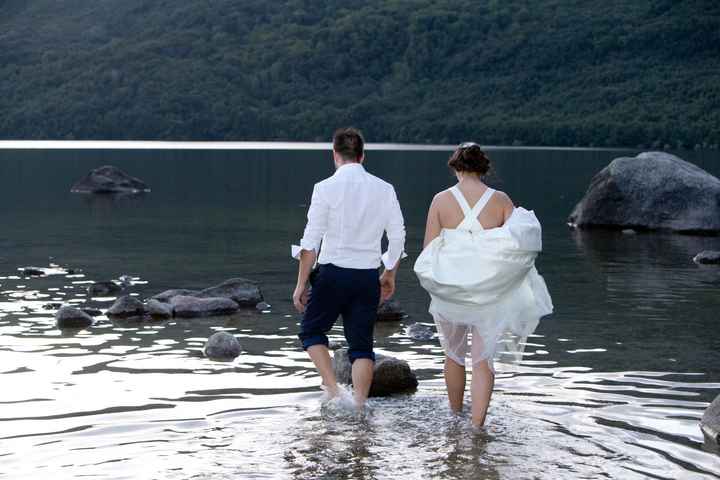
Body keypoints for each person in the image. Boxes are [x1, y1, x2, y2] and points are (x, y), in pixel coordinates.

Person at [414, 143, 553, 427]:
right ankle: (477, 426)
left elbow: (428, 249)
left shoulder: (441, 200)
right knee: (482, 359)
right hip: (489, 291)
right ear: (484, 169)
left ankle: (454, 417)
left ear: (455, 167)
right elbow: (519, 243)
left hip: (451, 289)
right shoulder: (500, 200)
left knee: (453, 354)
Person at [291, 127, 406, 409]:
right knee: (362, 348)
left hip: (332, 274)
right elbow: (398, 235)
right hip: (366, 277)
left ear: (335, 155)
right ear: (362, 156)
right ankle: (359, 408)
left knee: (311, 331)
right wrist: (389, 272)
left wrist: (301, 284)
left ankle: (332, 389)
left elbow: (310, 243)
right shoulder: (384, 189)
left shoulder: (324, 188)